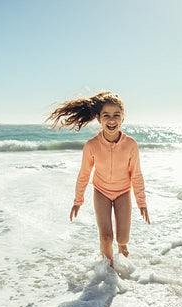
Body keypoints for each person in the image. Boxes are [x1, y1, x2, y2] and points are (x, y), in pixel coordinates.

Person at [46, 91, 150, 266]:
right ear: (99, 119)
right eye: (106, 115)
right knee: (106, 236)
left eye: (116, 115)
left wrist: (142, 202)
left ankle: (123, 260)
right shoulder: (91, 145)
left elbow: (136, 174)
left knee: (122, 238)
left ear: (123, 118)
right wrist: (78, 200)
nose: (111, 120)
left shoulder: (131, 144)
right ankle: (108, 272)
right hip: (101, 191)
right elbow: (84, 174)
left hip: (123, 192)